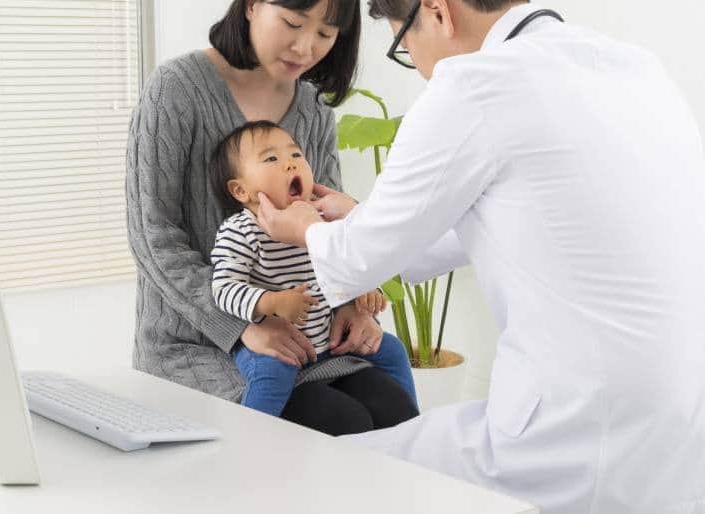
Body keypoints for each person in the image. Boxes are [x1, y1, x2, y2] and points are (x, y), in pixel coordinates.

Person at [256, 0, 705, 512]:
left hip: (574, 436)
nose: (419, 64)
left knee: (324, 476)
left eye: (406, 45)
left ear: (438, 11)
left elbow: (356, 262)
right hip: (683, 437)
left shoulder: (474, 83)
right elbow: (505, 222)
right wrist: (359, 216)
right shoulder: (635, 67)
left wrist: (303, 228)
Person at [125, 0, 419, 436]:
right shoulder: (176, 89)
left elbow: (325, 226)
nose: (305, 47)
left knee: (394, 411)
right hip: (198, 343)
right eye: (293, 22)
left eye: (325, 33)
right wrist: (244, 325)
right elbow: (153, 238)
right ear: (251, 7)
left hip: (310, 338)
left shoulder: (314, 108)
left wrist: (351, 305)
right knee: (344, 422)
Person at [208, 119, 418, 417]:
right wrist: (272, 303)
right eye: (271, 158)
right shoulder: (241, 230)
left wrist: (366, 290)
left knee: (393, 350)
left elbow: (349, 258)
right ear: (241, 190)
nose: (291, 165)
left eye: (296, 155)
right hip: (275, 344)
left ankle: (413, 431)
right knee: (272, 374)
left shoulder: (321, 217)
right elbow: (224, 289)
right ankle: (248, 442)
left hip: (324, 339)